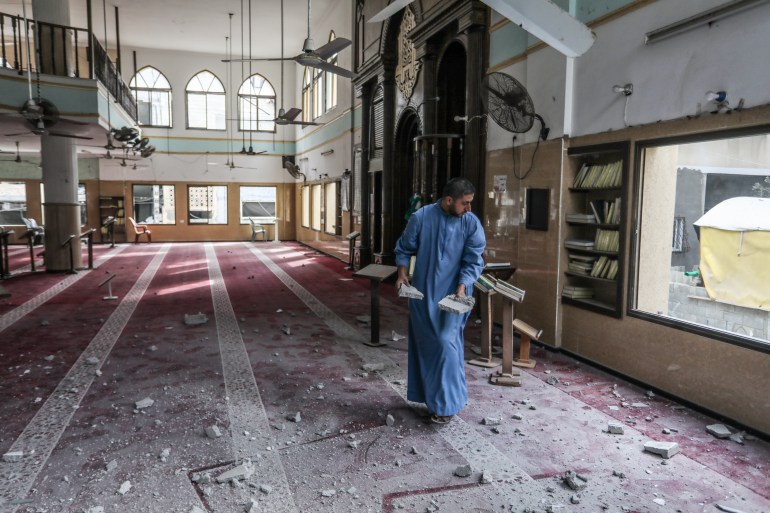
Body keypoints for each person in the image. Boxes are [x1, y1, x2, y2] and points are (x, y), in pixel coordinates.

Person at [394, 177, 486, 424]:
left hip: (453, 298)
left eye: (470, 203)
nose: (469, 208)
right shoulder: (421, 217)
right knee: (428, 349)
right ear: (448, 200)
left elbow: (474, 260)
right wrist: (402, 275)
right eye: (465, 203)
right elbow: (404, 248)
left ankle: (446, 406)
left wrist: (462, 287)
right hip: (423, 298)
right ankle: (434, 401)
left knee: (447, 345)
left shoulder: (471, 223)